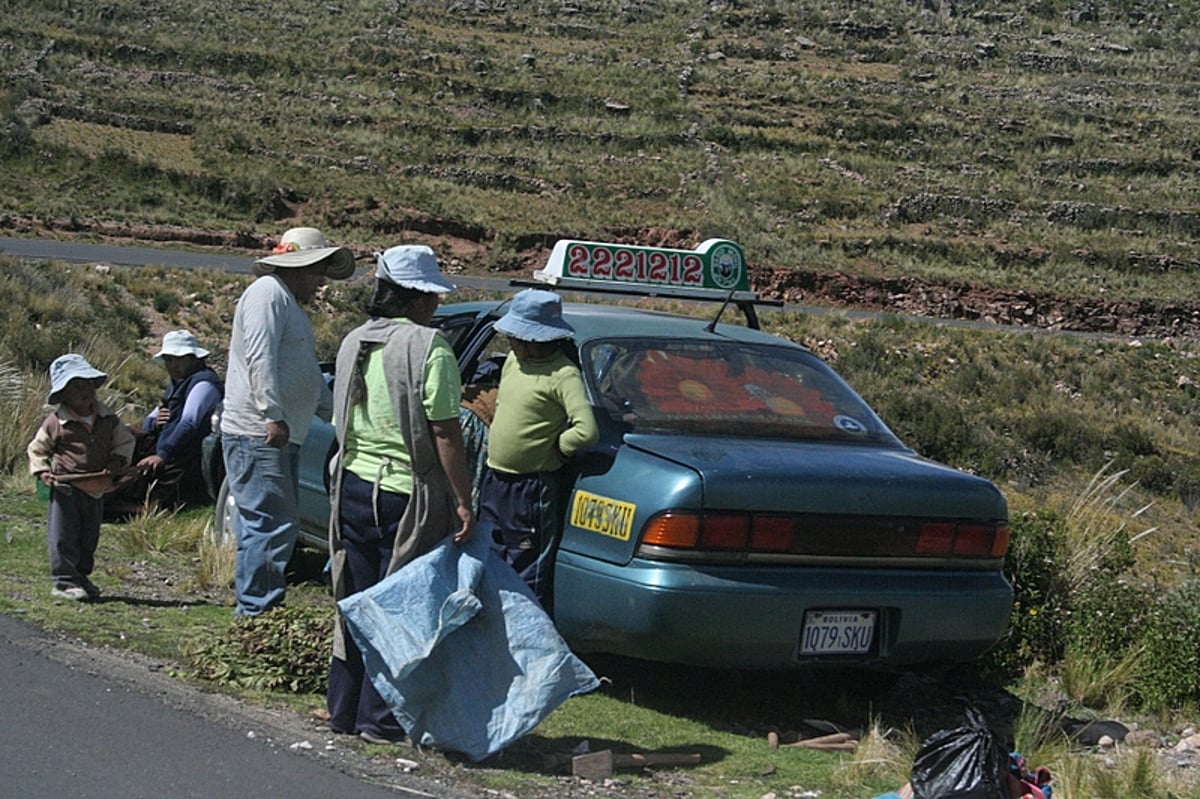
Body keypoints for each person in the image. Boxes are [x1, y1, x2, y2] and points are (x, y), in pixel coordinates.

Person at [326, 243, 475, 744]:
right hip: (403, 493)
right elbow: (446, 432)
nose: (435, 304)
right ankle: (380, 719)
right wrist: (463, 499)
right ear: (413, 298)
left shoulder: (354, 340)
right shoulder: (430, 347)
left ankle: (342, 709)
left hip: (351, 482)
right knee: (397, 605)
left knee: (355, 595)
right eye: (429, 295)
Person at [220, 227, 356, 617]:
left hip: (278, 433)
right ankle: (257, 610)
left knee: (268, 522)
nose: (321, 282)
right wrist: (272, 415)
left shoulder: (285, 302)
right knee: (272, 523)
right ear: (304, 265)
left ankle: (257, 605)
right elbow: (259, 357)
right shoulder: (267, 294)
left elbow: (306, 374)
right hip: (260, 432)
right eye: (318, 272)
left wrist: (335, 412)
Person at [478, 288, 598, 608]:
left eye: (517, 337)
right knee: (491, 553)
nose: (512, 343)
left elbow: (586, 431)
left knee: (525, 565)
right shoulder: (514, 363)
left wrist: (559, 449)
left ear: (537, 340)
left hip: (531, 487)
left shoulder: (563, 374)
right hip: (496, 478)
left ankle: (526, 638)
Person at [28, 353, 136, 601]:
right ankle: (64, 581)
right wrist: (43, 471)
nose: (84, 391)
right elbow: (37, 449)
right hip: (67, 487)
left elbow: (124, 442)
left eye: (86, 383)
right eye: (75, 387)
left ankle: (81, 576)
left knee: (89, 536)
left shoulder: (108, 419)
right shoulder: (56, 423)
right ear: (63, 395)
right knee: (64, 535)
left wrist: (117, 461)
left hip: (96, 487)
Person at [111, 330, 223, 512]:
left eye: (179, 359)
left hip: (183, 460)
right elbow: (149, 421)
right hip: (170, 453)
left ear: (193, 358)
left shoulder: (204, 384)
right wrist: (156, 423)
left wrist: (162, 454)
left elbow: (189, 423)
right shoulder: (178, 385)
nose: (173, 365)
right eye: (169, 360)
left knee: (129, 497)